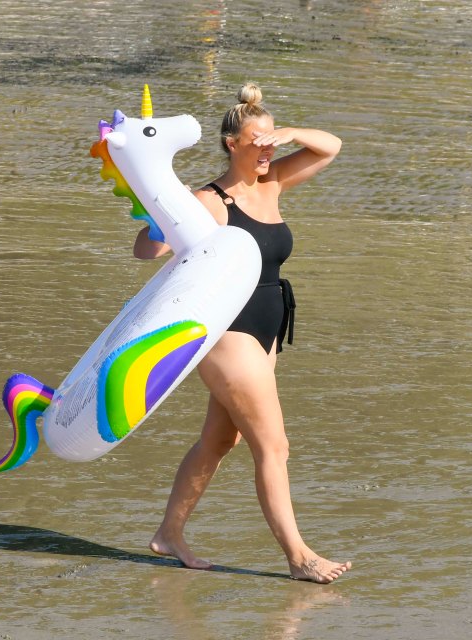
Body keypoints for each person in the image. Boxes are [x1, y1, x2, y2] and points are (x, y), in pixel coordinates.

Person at [133, 83, 351, 584]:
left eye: (273, 143)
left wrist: (286, 132)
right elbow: (147, 253)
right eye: (259, 142)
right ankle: (299, 556)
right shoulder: (208, 200)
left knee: (220, 438)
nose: (269, 150)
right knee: (274, 445)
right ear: (232, 144)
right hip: (227, 327)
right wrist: (159, 217)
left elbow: (330, 146)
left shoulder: (272, 183)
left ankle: (169, 533)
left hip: (269, 325)